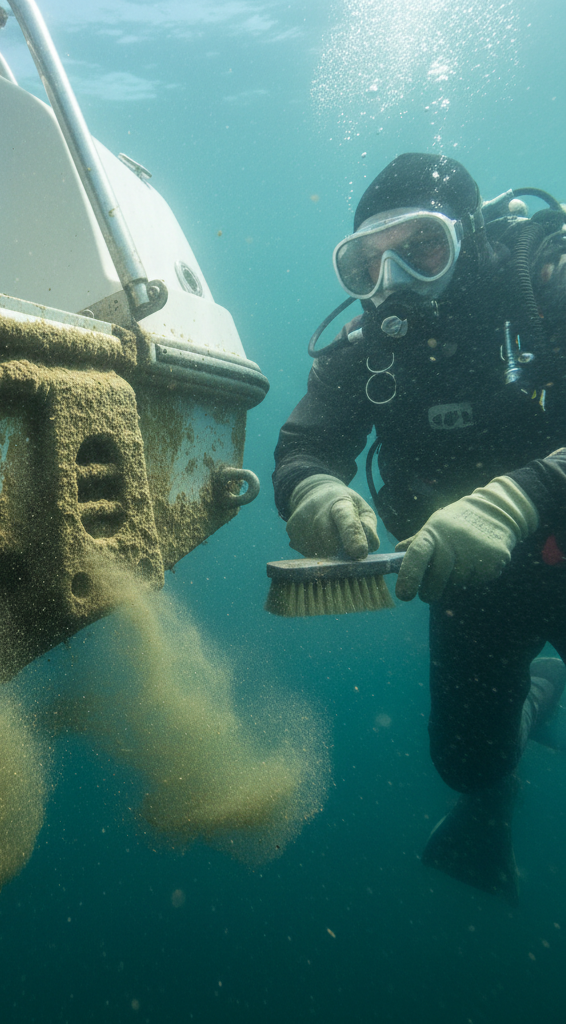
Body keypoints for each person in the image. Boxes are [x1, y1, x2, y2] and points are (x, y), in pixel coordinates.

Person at [273, 152, 566, 901]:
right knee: (465, 767)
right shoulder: (375, 345)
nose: (396, 281)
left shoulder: (547, 288)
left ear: (469, 235)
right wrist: (311, 493)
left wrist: (518, 499)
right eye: (368, 263)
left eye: (423, 247)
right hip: (469, 580)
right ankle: (537, 700)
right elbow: (307, 444)